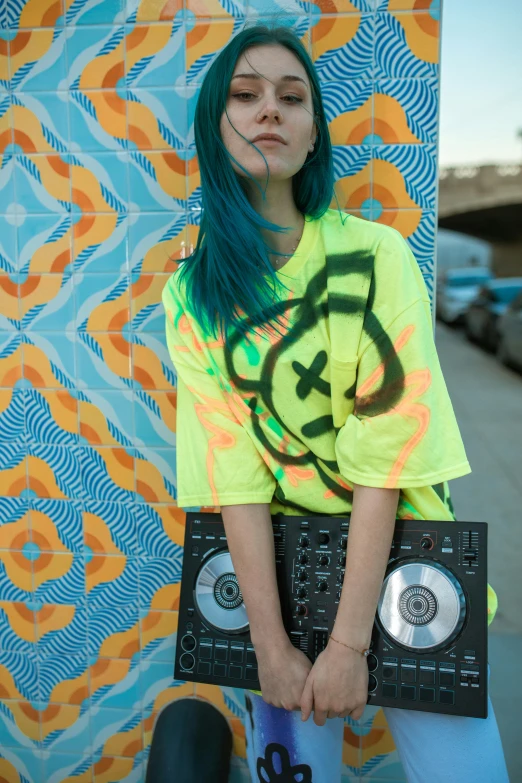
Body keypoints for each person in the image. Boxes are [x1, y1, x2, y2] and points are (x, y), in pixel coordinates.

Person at [161, 21, 509, 783]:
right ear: (216, 125)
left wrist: (350, 643)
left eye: (292, 97)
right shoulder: (192, 293)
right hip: (278, 580)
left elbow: (386, 454)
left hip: (412, 567)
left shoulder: (374, 255)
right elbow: (234, 477)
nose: (269, 112)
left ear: (314, 133)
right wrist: (271, 645)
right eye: (245, 96)